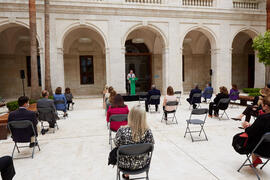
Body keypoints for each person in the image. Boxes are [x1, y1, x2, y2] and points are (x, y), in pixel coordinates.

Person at [115, 105, 154, 180]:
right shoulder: (148, 131)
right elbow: (151, 145)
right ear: (144, 118)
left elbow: (117, 144)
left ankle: (126, 174)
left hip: (125, 165)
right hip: (142, 164)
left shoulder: (121, 130)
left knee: (120, 152)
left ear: (130, 116)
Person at [241, 95, 270, 167]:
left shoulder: (263, 118)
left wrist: (246, 127)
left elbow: (250, 132)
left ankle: (255, 158)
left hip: (262, 149)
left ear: (266, 106)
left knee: (239, 138)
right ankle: (255, 159)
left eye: (262, 104)